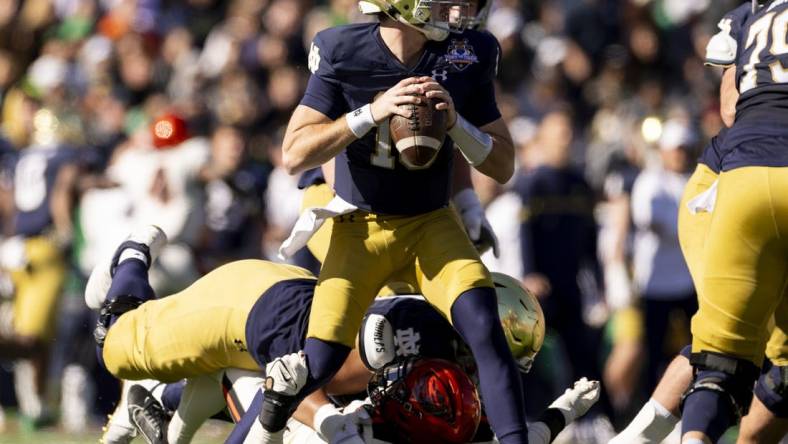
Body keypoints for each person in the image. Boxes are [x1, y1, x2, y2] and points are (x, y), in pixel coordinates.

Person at [262, 1, 529, 442]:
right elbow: (293, 154)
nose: (456, 6)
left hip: (431, 223)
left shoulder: (469, 51)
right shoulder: (343, 48)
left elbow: (502, 166)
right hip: (360, 228)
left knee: (484, 329)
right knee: (320, 362)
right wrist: (372, 112)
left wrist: (457, 125)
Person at [86, 225, 598, 444]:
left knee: (259, 400)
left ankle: (161, 401)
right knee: (114, 344)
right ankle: (132, 255)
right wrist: (336, 422)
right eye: (494, 362)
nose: (490, 379)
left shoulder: (445, 356)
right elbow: (307, 381)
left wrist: (560, 414)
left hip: (282, 343)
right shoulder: (410, 331)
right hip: (252, 310)